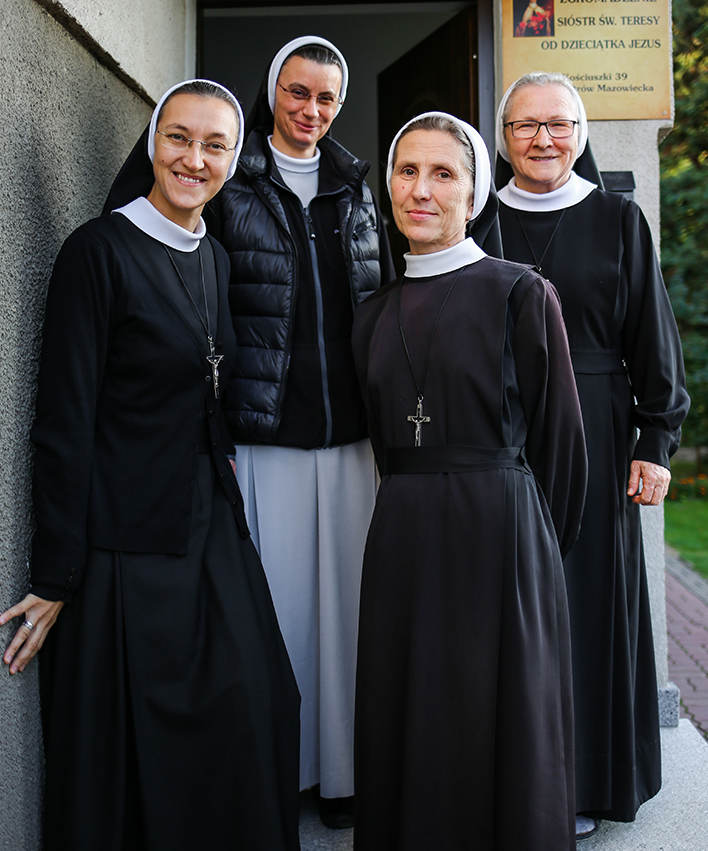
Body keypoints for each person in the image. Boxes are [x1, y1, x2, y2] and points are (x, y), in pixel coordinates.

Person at [0, 79, 300, 851]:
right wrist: (54, 575)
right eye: (179, 138)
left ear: (233, 159)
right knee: (141, 745)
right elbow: (63, 422)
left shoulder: (216, 257)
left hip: (208, 520)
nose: (194, 159)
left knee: (261, 697)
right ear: (153, 143)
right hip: (124, 536)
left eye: (215, 145)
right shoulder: (97, 252)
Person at [351, 111, 588, 851]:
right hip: (402, 537)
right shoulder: (371, 314)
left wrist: (530, 554)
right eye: (407, 171)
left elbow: (563, 447)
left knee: (497, 718)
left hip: (501, 536)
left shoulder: (521, 293)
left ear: (475, 191)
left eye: (443, 174)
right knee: (410, 710)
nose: (420, 190)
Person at [495, 72, 690, 837]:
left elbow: (654, 338)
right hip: (503, 435)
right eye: (525, 125)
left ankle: (583, 783)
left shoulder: (616, 218)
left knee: (588, 606)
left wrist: (656, 439)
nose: (543, 139)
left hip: (601, 434)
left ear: (580, 134)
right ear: (504, 135)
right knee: (510, 602)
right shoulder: (479, 217)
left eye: (559, 124)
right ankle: (514, 773)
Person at [206, 36, 395, 827]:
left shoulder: (358, 187)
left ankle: (343, 776)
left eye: (325, 98)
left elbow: (382, 294)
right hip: (267, 433)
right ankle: (276, 775)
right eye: (297, 92)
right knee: (277, 616)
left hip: (351, 435)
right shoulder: (233, 180)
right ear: (272, 91)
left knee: (348, 615)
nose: (310, 109)